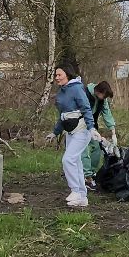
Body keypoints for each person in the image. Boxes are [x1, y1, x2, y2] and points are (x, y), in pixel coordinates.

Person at [51, 62, 93, 208]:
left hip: (82, 130)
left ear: (67, 75)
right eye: (55, 75)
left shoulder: (76, 89)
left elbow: (86, 109)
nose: (56, 77)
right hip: (70, 132)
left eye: (59, 74)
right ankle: (82, 197)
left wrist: (91, 127)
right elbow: (62, 115)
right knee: (76, 163)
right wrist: (55, 132)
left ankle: (75, 190)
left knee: (68, 160)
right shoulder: (62, 91)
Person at [83, 81, 117, 184]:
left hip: (92, 127)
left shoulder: (102, 99)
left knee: (96, 149)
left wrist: (113, 133)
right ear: (97, 91)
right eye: (104, 96)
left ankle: (91, 173)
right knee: (83, 151)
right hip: (79, 126)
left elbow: (107, 113)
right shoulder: (84, 94)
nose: (104, 98)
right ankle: (85, 176)